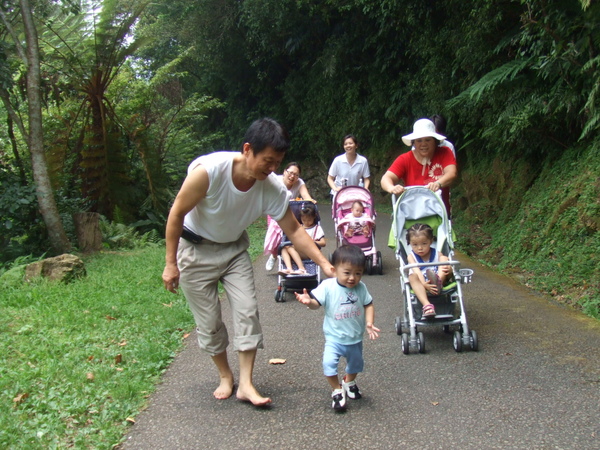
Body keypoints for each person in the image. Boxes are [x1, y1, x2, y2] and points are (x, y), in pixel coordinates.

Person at [162, 118, 334, 407]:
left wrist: (324, 264)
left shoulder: (271, 187)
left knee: (247, 311)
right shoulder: (209, 173)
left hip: (233, 251)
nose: (273, 170)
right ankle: (225, 375)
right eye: (268, 161)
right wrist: (170, 263)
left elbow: (293, 230)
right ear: (247, 150)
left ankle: (246, 383)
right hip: (194, 250)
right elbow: (177, 213)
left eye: (277, 162)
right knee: (209, 322)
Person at [295, 245, 380, 411]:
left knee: (355, 365)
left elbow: (369, 304)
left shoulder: (361, 288)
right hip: (334, 338)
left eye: (358, 273)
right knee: (328, 363)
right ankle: (336, 389)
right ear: (334, 270)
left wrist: (369, 322)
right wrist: (308, 302)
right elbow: (316, 305)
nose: (352, 278)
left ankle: (349, 382)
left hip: (355, 337)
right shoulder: (328, 287)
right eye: (347, 273)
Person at [380, 118, 457, 216]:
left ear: (435, 141)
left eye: (428, 140)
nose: (423, 144)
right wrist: (392, 188)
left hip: (441, 214)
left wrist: (437, 184)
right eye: (419, 140)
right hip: (412, 215)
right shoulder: (404, 159)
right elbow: (386, 178)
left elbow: (452, 173)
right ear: (413, 143)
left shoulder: (445, 152)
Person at [264, 162, 315, 271]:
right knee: (276, 237)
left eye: (296, 175)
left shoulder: (299, 183)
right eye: (290, 173)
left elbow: (305, 195)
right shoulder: (276, 180)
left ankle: (291, 254)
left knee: (289, 236)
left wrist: (311, 201)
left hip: (291, 211)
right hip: (274, 211)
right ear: (284, 172)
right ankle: (273, 256)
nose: (292, 176)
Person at [406, 223, 451, 318]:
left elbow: (445, 267)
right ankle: (427, 305)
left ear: (431, 241)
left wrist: (449, 269)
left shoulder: (436, 254)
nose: (420, 248)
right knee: (412, 277)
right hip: (421, 282)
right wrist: (424, 284)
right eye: (415, 245)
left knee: (444, 259)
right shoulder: (411, 256)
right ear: (409, 243)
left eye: (424, 244)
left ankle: (438, 281)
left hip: (438, 277)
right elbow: (417, 271)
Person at [279, 202, 326, 275]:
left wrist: (313, 242)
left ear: (314, 217)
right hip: (299, 251)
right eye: (304, 220)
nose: (306, 222)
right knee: (284, 248)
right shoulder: (299, 228)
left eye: (309, 220)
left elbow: (323, 243)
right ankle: (289, 268)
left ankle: (302, 268)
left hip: (310, 252)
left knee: (290, 248)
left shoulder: (317, 228)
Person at [327, 135, 371, 201]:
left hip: (355, 194)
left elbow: (366, 178)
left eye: (350, 143)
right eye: (345, 144)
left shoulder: (362, 161)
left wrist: (365, 188)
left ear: (356, 145)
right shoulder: (338, 160)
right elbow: (330, 178)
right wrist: (335, 188)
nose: (348, 146)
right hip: (339, 194)